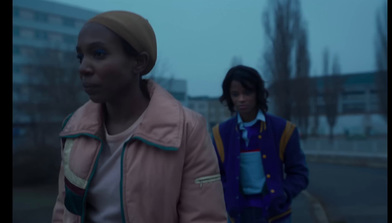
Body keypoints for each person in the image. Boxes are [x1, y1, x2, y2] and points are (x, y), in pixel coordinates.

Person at [52, 10, 227, 223]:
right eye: (81, 57)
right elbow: (64, 210)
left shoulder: (188, 129)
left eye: (98, 54)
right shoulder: (73, 129)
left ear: (139, 63)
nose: (83, 68)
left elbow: (205, 217)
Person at [211, 65, 309, 223]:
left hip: (276, 215)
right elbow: (214, 175)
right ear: (229, 97)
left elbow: (299, 173)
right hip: (237, 215)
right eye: (235, 94)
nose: (241, 99)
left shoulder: (283, 130)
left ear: (258, 93)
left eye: (247, 92)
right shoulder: (220, 134)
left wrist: (282, 193)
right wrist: (227, 195)